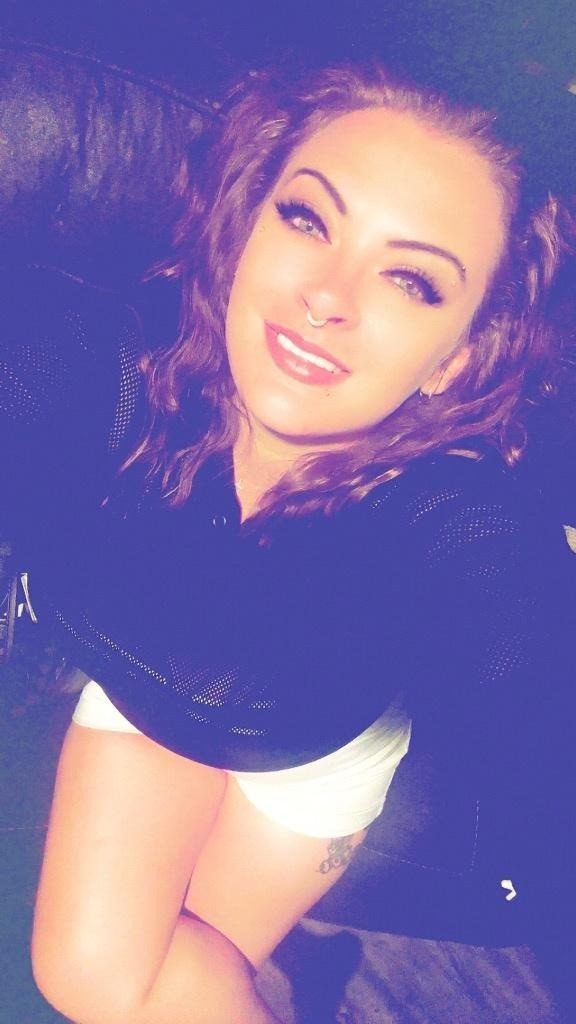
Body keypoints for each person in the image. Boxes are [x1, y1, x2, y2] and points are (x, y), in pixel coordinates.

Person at [1, 62, 572, 1023]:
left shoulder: (453, 524)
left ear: (458, 355)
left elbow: (539, 706)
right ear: (247, 221)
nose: (327, 296)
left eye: (411, 280)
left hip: (317, 772)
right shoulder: (109, 367)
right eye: (308, 220)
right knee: (98, 978)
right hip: (163, 702)